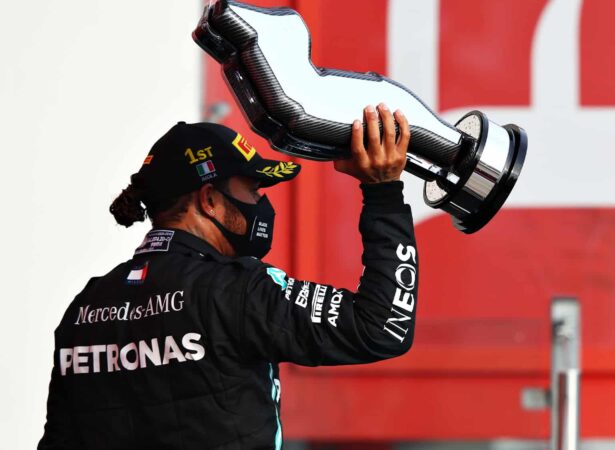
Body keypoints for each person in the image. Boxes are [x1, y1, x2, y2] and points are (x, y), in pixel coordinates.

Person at [38, 103, 417, 449]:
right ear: (209, 200)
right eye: (253, 191)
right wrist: (383, 192)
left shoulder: (83, 310)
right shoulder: (235, 289)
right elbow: (383, 327)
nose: (262, 205)